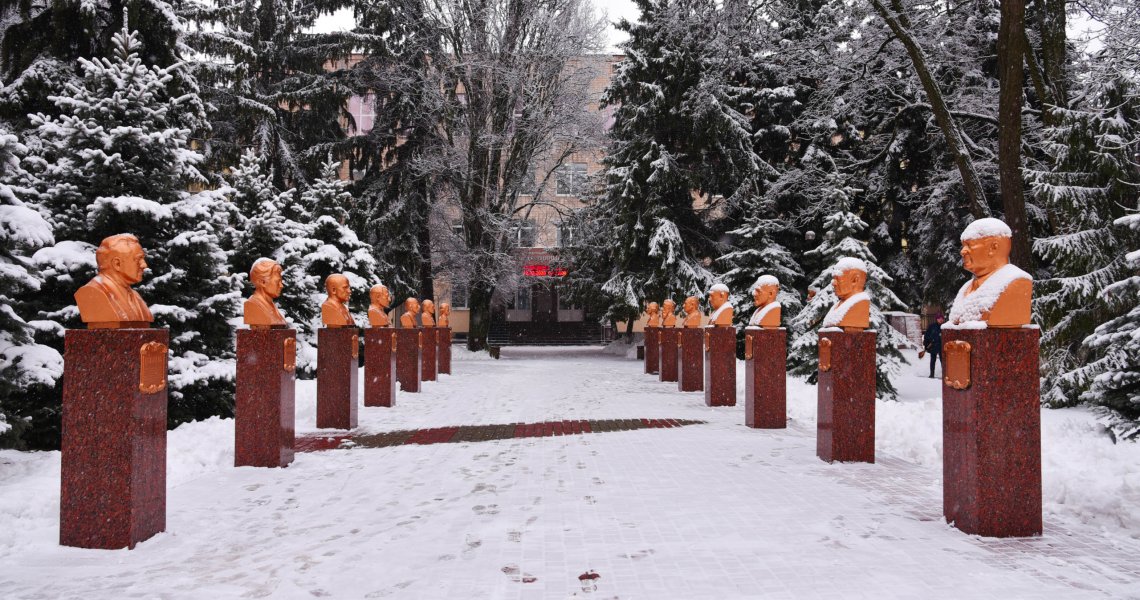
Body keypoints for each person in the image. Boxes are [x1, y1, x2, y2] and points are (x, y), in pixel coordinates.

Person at [922, 314, 945, 378]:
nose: (941, 320)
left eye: (942, 319)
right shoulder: (932, 327)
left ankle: (944, 374)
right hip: (933, 346)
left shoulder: (944, 327)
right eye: (939, 318)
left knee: (943, 361)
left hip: (941, 346)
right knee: (933, 360)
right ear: (937, 319)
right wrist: (926, 344)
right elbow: (927, 336)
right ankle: (932, 374)